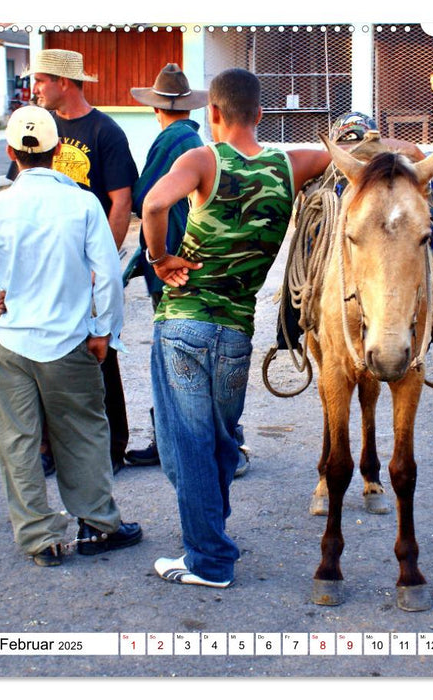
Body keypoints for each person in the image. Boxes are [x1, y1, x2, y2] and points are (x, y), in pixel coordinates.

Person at [142, 68, 332, 588]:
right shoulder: (288, 164)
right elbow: (355, 152)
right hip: (236, 333)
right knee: (221, 441)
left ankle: (208, 559)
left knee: (187, 443)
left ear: (215, 115)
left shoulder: (204, 159)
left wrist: (159, 258)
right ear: (262, 115)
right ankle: (212, 535)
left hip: (184, 324)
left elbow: (155, 203)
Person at [0, 106, 142, 567]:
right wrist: (104, 331)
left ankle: (39, 539)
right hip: (68, 341)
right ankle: (98, 526)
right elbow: (107, 275)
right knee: (84, 431)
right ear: (59, 151)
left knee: (19, 441)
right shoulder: (83, 204)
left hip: (12, 344)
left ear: (10, 153)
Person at [21, 48, 139, 474]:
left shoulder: (104, 130)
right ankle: (50, 450)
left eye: (40, 80)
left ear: (63, 82)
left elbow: (121, 199)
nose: (34, 89)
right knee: (44, 351)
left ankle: (113, 448)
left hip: (87, 264)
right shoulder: (39, 128)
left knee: (100, 350)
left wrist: (100, 262)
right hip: (46, 263)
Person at [120, 63, 209, 469]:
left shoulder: (170, 140)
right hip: (195, 256)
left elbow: (145, 199)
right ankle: (201, 440)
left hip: (169, 261)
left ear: (157, 109)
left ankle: (170, 442)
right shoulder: (197, 141)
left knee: (170, 357)